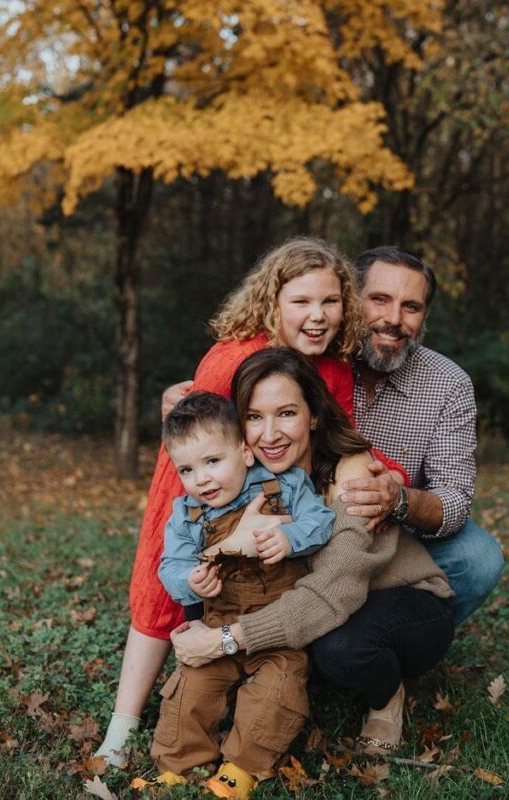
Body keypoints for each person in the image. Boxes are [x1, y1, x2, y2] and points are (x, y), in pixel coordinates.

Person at [96, 237, 404, 765]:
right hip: (208, 497)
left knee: (265, 588)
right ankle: (123, 729)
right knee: (165, 584)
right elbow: (194, 449)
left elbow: (342, 438)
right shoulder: (234, 359)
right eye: (301, 302)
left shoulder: (331, 365)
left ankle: (270, 684)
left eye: (330, 302)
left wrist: (380, 477)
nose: (317, 315)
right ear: (272, 303)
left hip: (282, 511)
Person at [170, 348, 455, 765]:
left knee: (340, 649)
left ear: (314, 416)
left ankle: (386, 696)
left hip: (400, 601)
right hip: (324, 602)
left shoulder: (352, 477)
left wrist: (223, 640)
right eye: (253, 417)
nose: (269, 434)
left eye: (286, 413)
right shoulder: (239, 477)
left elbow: (328, 595)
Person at [151, 391, 335, 795]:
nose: (201, 479)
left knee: (276, 691)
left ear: (245, 453)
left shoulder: (282, 486)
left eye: (212, 462)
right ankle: (180, 761)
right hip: (219, 621)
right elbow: (171, 566)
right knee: (191, 688)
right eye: (187, 469)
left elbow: (321, 522)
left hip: (278, 631)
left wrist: (288, 538)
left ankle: (241, 767)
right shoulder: (187, 513)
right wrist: (190, 581)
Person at [337, 247, 504, 626]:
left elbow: (455, 499)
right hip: (310, 533)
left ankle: (403, 637)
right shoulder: (316, 356)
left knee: (478, 557)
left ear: (424, 316)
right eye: (379, 300)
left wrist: (397, 501)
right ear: (351, 299)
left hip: (397, 540)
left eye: (410, 307)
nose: (393, 319)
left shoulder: (449, 383)